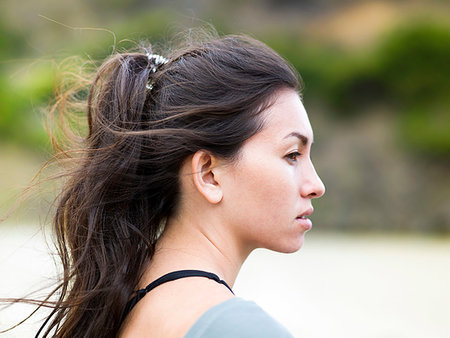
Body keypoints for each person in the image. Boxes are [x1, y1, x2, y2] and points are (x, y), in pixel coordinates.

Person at [29, 33, 325, 337]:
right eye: (292, 155)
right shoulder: (236, 327)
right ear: (209, 174)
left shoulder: (126, 306)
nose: (316, 185)